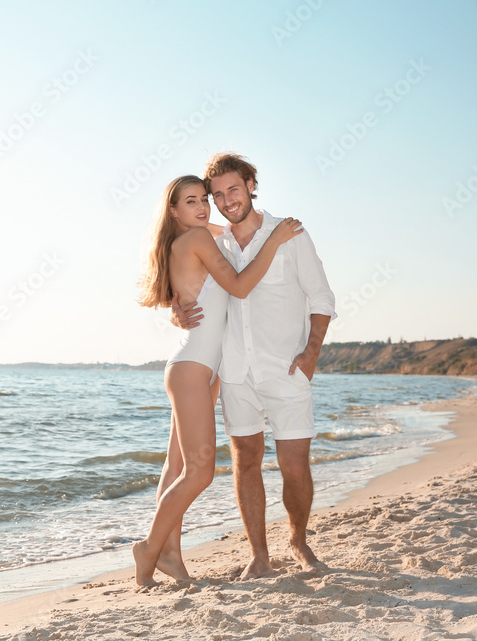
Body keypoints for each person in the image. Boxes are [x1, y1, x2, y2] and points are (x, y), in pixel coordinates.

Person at [172, 153, 336, 580]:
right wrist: (178, 310)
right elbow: (195, 288)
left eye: (234, 190)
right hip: (235, 371)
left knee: (295, 464)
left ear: (250, 185)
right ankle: (259, 555)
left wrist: (310, 355)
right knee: (245, 462)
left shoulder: (290, 233)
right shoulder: (215, 242)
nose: (227, 200)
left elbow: (321, 299)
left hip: (286, 369)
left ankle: (298, 541)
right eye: (218, 194)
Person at [134, 174, 302, 586]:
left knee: (176, 465)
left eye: (203, 199)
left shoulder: (191, 237)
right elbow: (241, 287)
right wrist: (275, 241)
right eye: (190, 202)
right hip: (193, 368)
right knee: (200, 471)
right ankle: (149, 548)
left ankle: (169, 553)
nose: (203, 207)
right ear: (173, 211)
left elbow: (225, 228)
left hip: (197, 367)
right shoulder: (196, 241)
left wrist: (255, 230)